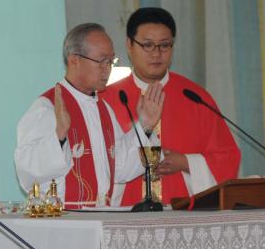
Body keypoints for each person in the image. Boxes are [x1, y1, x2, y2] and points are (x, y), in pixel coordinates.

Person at [101, 7, 241, 206]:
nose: (156, 53)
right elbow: (97, 164)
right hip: (125, 215)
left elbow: (227, 158)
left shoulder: (195, 97)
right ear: (129, 45)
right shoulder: (107, 99)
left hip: (183, 213)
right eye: (147, 45)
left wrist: (186, 162)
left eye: (165, 45)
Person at [15, 23, 164, 208]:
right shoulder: (47, 107)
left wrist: (145, 126)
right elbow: (26, 171)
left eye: (111, 61)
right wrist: (59, 137)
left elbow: (121, 168)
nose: (107, 68)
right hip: (64, 218)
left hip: (102, 216)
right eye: (101, 61)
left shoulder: (104, 109)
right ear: (74, 60)